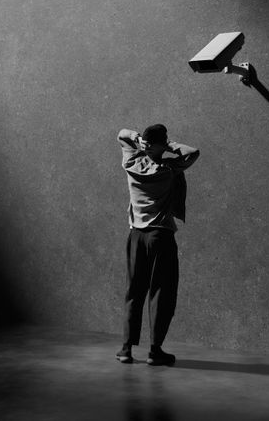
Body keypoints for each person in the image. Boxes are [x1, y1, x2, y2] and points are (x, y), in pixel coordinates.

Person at [116, 124, 200, 365]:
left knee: (134, 292)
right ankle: (155, 350)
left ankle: (126, 349)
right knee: (161, 292)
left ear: (144, 142)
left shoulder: (130, 162)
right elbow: (193, 152)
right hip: (160, 236)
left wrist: (137, 138)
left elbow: (121, 134)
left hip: (136, 236)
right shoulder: (168, 168)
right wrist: (170, 145)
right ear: (162, 143)